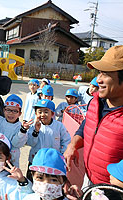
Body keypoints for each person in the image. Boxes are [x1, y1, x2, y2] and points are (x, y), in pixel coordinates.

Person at [64, 45, 123, 188]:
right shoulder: (95, 102)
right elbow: (87, 125)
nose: (98, 79)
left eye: (106, 74)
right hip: (89, 179)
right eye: (99, 73)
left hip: (112, 190)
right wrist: (73, 144)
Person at [26, 99, 71, 181]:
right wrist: (36, 131)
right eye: (40, 112)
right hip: (35, 161)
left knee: (50, 182)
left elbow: (66, 141)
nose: (43, 114)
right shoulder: (33, 126)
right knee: (33, 182)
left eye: (46, 112)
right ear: (36, 114)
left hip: (52, 162)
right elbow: (30, 142)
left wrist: (60, 155)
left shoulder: (59, 126)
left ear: (52, 113)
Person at [0, 94, 33, 167]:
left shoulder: (20, 127)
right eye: (8, 110)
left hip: (12, 158)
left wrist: (22, 131)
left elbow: (17, 144)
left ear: (19, 113)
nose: (11, 113)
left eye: (15, 111)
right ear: (4, 110)